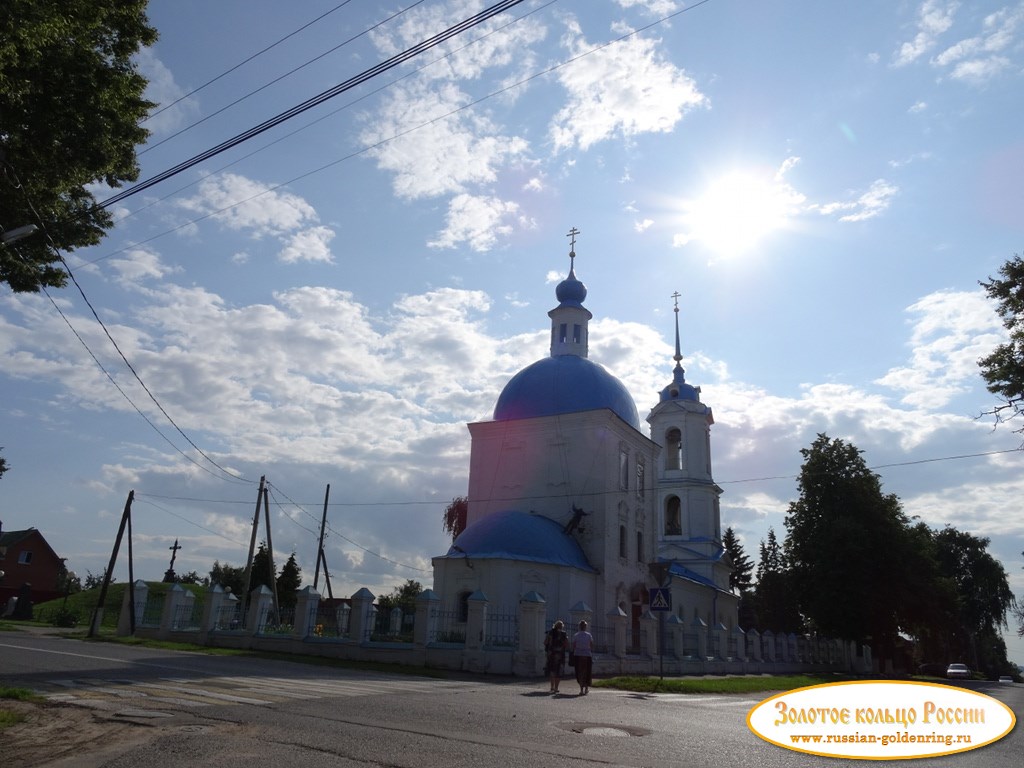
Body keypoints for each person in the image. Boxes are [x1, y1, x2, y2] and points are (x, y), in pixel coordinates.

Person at [544, 620, 568, 692]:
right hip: (560, 654)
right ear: (562, 626)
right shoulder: (563, 634)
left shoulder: (550, 633)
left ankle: (552, 687)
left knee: (552, 670)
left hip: (551, 654)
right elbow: (566, 644)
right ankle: (556, 688)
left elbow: (545, 642)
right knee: (559, 671)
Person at [571, 619, 594, 695]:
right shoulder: (588, 635)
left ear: (579, 627)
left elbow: (573, 646)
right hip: (587, 655)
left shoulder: (576, 635)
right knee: (587, 671)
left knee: (579, 671)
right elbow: (591, 645)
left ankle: (581, 689)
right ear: (585, 627)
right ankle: (586, 688)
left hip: (578, 655)